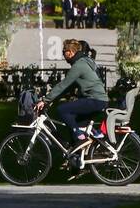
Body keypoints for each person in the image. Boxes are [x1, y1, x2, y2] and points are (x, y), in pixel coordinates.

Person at [36, 39, 108, 170]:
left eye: (64, 52)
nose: (63, 55)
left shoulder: (78, 65)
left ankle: (81, 139)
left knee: (63, 110)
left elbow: (63, 85)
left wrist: (45, 100)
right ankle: (79, 161)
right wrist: (52, 100)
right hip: (97, 100)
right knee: (73, 123)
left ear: (70, 52)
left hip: (95, 100)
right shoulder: (82, 62)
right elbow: (69, 87)